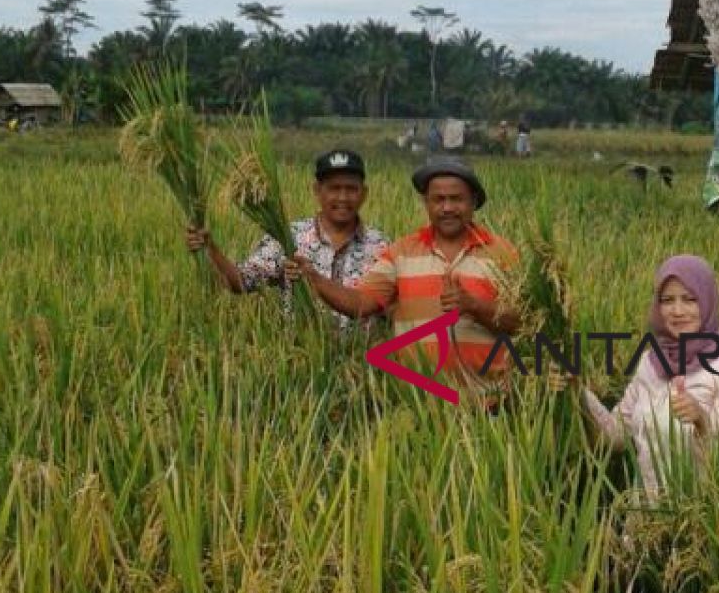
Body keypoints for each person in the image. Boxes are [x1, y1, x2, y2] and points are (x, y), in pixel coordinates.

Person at [289, 158, 522, 409]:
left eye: (457, 199)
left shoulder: (503, 253)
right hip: (417, 405)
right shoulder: (400, 252)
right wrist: (315, 278)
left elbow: (522, 323)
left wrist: (475, 306)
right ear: (426, 203)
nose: (447, 207)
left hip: (489, 403)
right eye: (438, 199)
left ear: (474, 202)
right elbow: (361, 303)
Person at [579, 255, 719, 497]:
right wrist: (577, 389)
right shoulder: (650, 363)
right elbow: (614, 437)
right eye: (667, 300)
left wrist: (701, 420)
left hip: (701, 522)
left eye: (689, 299)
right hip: (645, 521)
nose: (677, 311)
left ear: (708, 302)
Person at [185, 148, 390, 332]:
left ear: (364, 194)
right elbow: (240, 282)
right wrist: (210, 248)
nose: (343, 197)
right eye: (334, 188)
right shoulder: (288, 238)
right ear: (317, 191)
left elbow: (394, 310)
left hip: (362, 365)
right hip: (302, 364)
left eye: (351, 189)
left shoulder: (381, 247)